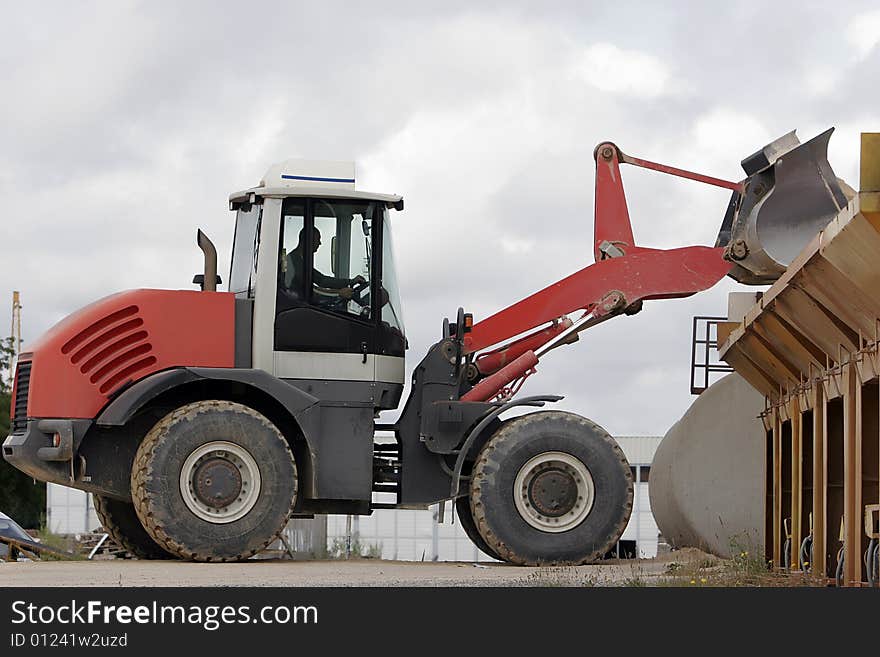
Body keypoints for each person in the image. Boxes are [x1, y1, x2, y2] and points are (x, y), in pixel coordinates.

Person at [284, 227, 366, 306]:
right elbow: (313, 291)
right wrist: (339, 293)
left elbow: (322, 280)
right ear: (308, 240)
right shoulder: (295, 262)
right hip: (297, 309)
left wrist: (350, 282)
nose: (320, 243)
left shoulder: (298, 259)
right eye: (318, 239)